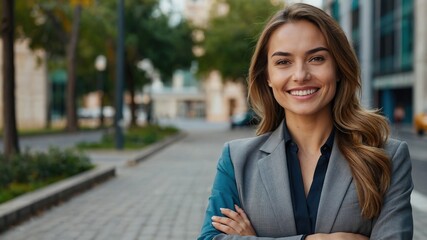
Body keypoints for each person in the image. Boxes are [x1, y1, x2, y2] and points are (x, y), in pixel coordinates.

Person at [198, 3, 413, 240]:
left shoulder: (387, 157)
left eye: (316, 58)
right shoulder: (236, 160)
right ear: (267, 76)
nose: (300, 75)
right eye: (283, 62)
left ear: (339, 68)